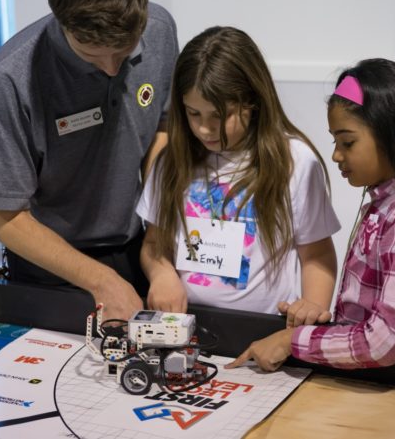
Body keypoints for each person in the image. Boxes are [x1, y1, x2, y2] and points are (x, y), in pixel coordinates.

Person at [227, 58, 395, 371]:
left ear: (393, 134)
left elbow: (383, 342)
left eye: (348, 142)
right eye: (335, 141)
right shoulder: (385, 203)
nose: (337, 155)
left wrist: (293, 341)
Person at [0, 0, 178, 320]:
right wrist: (101, 281)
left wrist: (156, 246)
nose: (111, 70)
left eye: (124, 52)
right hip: (48, 265)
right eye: (90, 54)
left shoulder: (160, 30)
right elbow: (7, 218)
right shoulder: (10, 78)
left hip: (133, 247)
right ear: (61, 21)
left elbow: (162, 128)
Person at [136, 26, 341, 324]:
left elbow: (317, 255)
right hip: (183, 323)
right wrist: (161, 273)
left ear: (252, 103)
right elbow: (154, 243)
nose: (205, 129)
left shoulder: (295, 162)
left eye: (219, 116)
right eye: (194, 114)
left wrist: (307, 315)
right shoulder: (172, 161)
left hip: (262, 328)